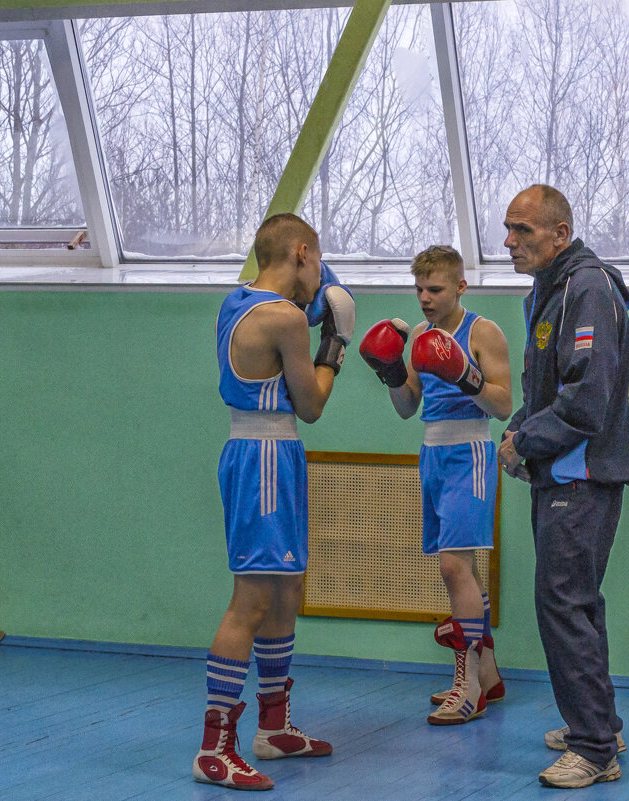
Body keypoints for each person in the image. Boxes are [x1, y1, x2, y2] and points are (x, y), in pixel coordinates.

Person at [193, 212, 355, 791]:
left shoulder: (239, 302)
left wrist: (319, 292)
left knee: (285, 588)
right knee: (252, 599)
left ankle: (273, 727)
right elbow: (311, 405)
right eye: (316, 259)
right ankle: (215, 748)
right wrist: (335, 346)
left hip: (266, 452)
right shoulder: (285, 318)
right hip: (265, 456)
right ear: (303, 251)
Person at [496, 185, 629, 789]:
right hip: (559, 472)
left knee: (563, 602)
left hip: (579, 475)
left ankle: (593, 750)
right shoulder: (551, 288)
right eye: (507, 229)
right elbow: (545, 388)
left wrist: (524, 444)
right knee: (576, 599)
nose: (509, 242)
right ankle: (599, 723)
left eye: (523, 230)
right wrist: (517, 429)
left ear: (559, 234)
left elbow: (585, 401)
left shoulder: (586, 287)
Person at [359, 245, 512, 726]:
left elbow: (504, 405)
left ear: (461, 287)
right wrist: (389, 371)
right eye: (419, 288)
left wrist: (465, 374)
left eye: (436, 289)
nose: (424, 298)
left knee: (453, 567)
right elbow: (408, 408)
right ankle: (487, 675)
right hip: (432, 452)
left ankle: (468, 690)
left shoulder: (483, 332)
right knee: (459, 569)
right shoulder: (422, 336)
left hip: (470, 453)